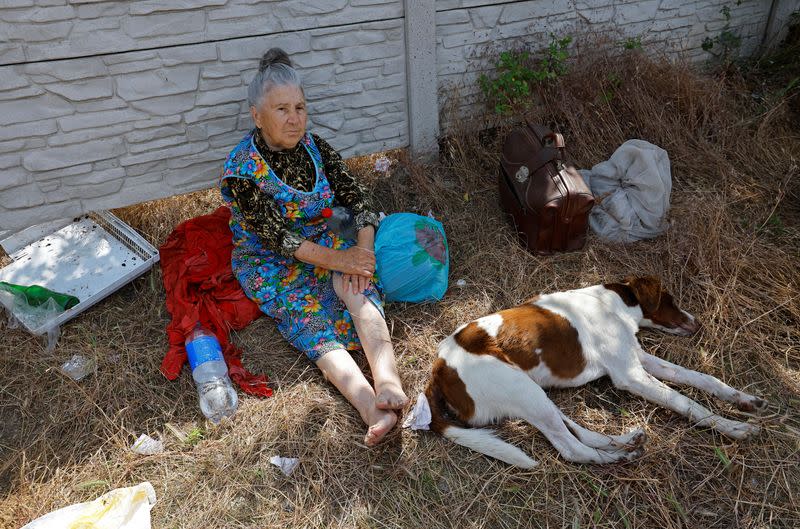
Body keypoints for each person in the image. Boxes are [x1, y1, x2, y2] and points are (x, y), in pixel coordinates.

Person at [219, 48, 409, 446]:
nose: (295, 118)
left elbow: (358, 198)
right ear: (257, 115)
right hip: (269, 260)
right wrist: (345, 259)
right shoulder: (241, 170)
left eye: (300, 107)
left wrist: (362, 255)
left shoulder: (315, 147)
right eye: (282, 109)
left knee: (360, 294)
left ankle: (389, 380)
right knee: (311, 324)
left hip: (322, 241)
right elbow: (281, 239)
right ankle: (368, 406)